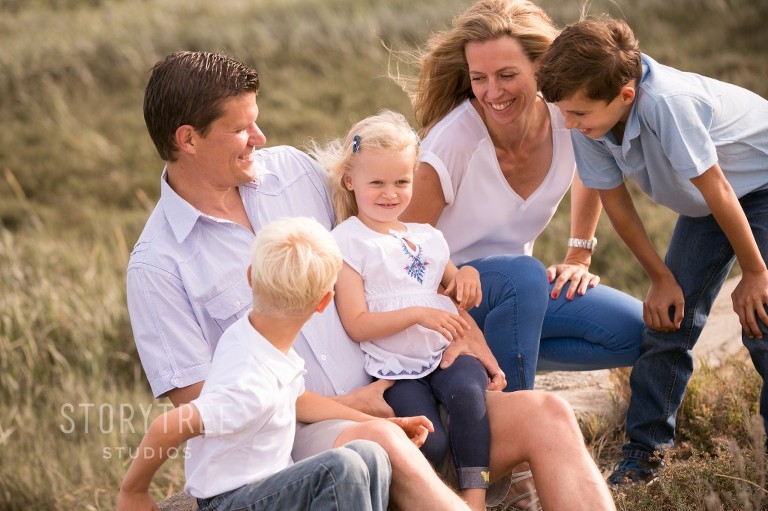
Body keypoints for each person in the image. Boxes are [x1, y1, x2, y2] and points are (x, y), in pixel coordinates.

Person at [127, 49, 617, 510]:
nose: (260, 137)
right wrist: (350, 407)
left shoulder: (293, 172)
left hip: (409, 386)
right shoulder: (158, 265)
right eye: (241, 129)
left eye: (256, 120)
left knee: (548, 415)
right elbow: (208, 406)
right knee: (380, 441)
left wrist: (461, 329)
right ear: (187, 139)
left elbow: (387, 248)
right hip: (301, 438)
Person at [535, 16, 768, 487]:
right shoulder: (592, 126)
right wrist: (660, 277)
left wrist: (754, 273)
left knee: (761, 319)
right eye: (563, 112)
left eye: (577, 114)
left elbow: (720, 189)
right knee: (666, 322)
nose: (568, 124)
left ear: (624, 96)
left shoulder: (668, 104)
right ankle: (642, 456)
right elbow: (616, 203)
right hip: (710, 205)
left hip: (759, 189)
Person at [394, 0, 645, 392]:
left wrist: (579, 254)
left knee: (636, 332)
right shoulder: (455, 141)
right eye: (479, 78)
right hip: (447, 299)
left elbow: (592, 172)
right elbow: (399, 246)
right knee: (522, 273)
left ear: (541, 67)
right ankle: (515, 419)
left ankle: (500, 359)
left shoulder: (568, 119)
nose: (492, 92)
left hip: (516, 299)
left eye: (507, 75)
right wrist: (448, 302)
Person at [118, 217, 434, 510]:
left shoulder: (256, 337)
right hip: (230, 500)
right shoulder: (250, 384)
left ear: (251, 276)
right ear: (325, 302)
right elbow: (168, 425)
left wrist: (383, 424)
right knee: (342, 467)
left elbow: (298, 399)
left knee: (372, 453)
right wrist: (133, 491)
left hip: (265, 488)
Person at [312, 110, 492, 510]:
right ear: (349, 180)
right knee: (430, 438)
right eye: (376, 182)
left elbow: (451, 284)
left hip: (444, 352)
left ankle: (475, 497)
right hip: (394, 366)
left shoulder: (426, 236)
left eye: (402, 181)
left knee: (468, 394)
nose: (390, 193)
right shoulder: (348, 242)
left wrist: (467, 277)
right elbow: (357, 324)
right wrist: (416, 314)